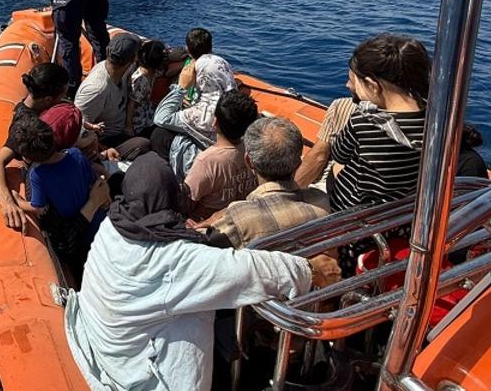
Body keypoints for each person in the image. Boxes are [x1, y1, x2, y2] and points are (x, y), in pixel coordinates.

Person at [63, 153, 335, 391]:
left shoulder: (113, 225)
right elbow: (246, 270)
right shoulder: (174, 261)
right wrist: (309, 269)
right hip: (143, 377)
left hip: (112, 347)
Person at [328, 33, 432, 212]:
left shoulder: (363, 121)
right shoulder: (434, 119)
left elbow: (339, 155)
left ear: (373, 86)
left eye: (353, 81)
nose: (348, 86)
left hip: (353, 211)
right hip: (401, 210)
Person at [200, 117, 331, 248]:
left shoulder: (239, 217)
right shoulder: (322, 202)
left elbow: (204, 245)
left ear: (248, 161)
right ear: (298, 164)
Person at [12, 112, 108, 283]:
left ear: (26, 157)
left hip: (76, 228)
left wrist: (18, 202)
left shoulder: (37, 175)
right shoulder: (76, 154)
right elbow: (93, 181)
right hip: (97, 218)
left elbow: (38, 207)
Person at [0, 63, 72, 229]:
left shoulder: (43, 106)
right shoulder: (25, 126)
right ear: (48, 99)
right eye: (63, 94)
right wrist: (7, 203)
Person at [152, 53, 237, 179]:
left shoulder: (205, 112)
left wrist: (180, 88)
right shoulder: (236, 103)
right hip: (226, 154)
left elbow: (160, 118)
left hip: (208, 161)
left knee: (160, 135)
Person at [182, 90, 260, 222]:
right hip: (241, 218)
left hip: (206, 224)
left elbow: (187, 202)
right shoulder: (255, 150)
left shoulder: (206, 161)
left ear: (215, 122)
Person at [75, 33, 150, 158]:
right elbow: (79, 126)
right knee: (144, 144)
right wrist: (101, 149)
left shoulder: (126, 69)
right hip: (108, 138)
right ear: (133, 59)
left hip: (128, 124)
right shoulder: (96, 90)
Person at [294, 95, 357, 191]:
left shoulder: (343, 106)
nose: (348, 86)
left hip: (331, 189)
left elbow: (319, 157)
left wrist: (290, 191)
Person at [125, 40, 167, 139]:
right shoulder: (140, 80)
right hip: (139, 119)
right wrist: (128, 126)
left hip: (146, 110)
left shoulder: (153, 72)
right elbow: (131, 103)